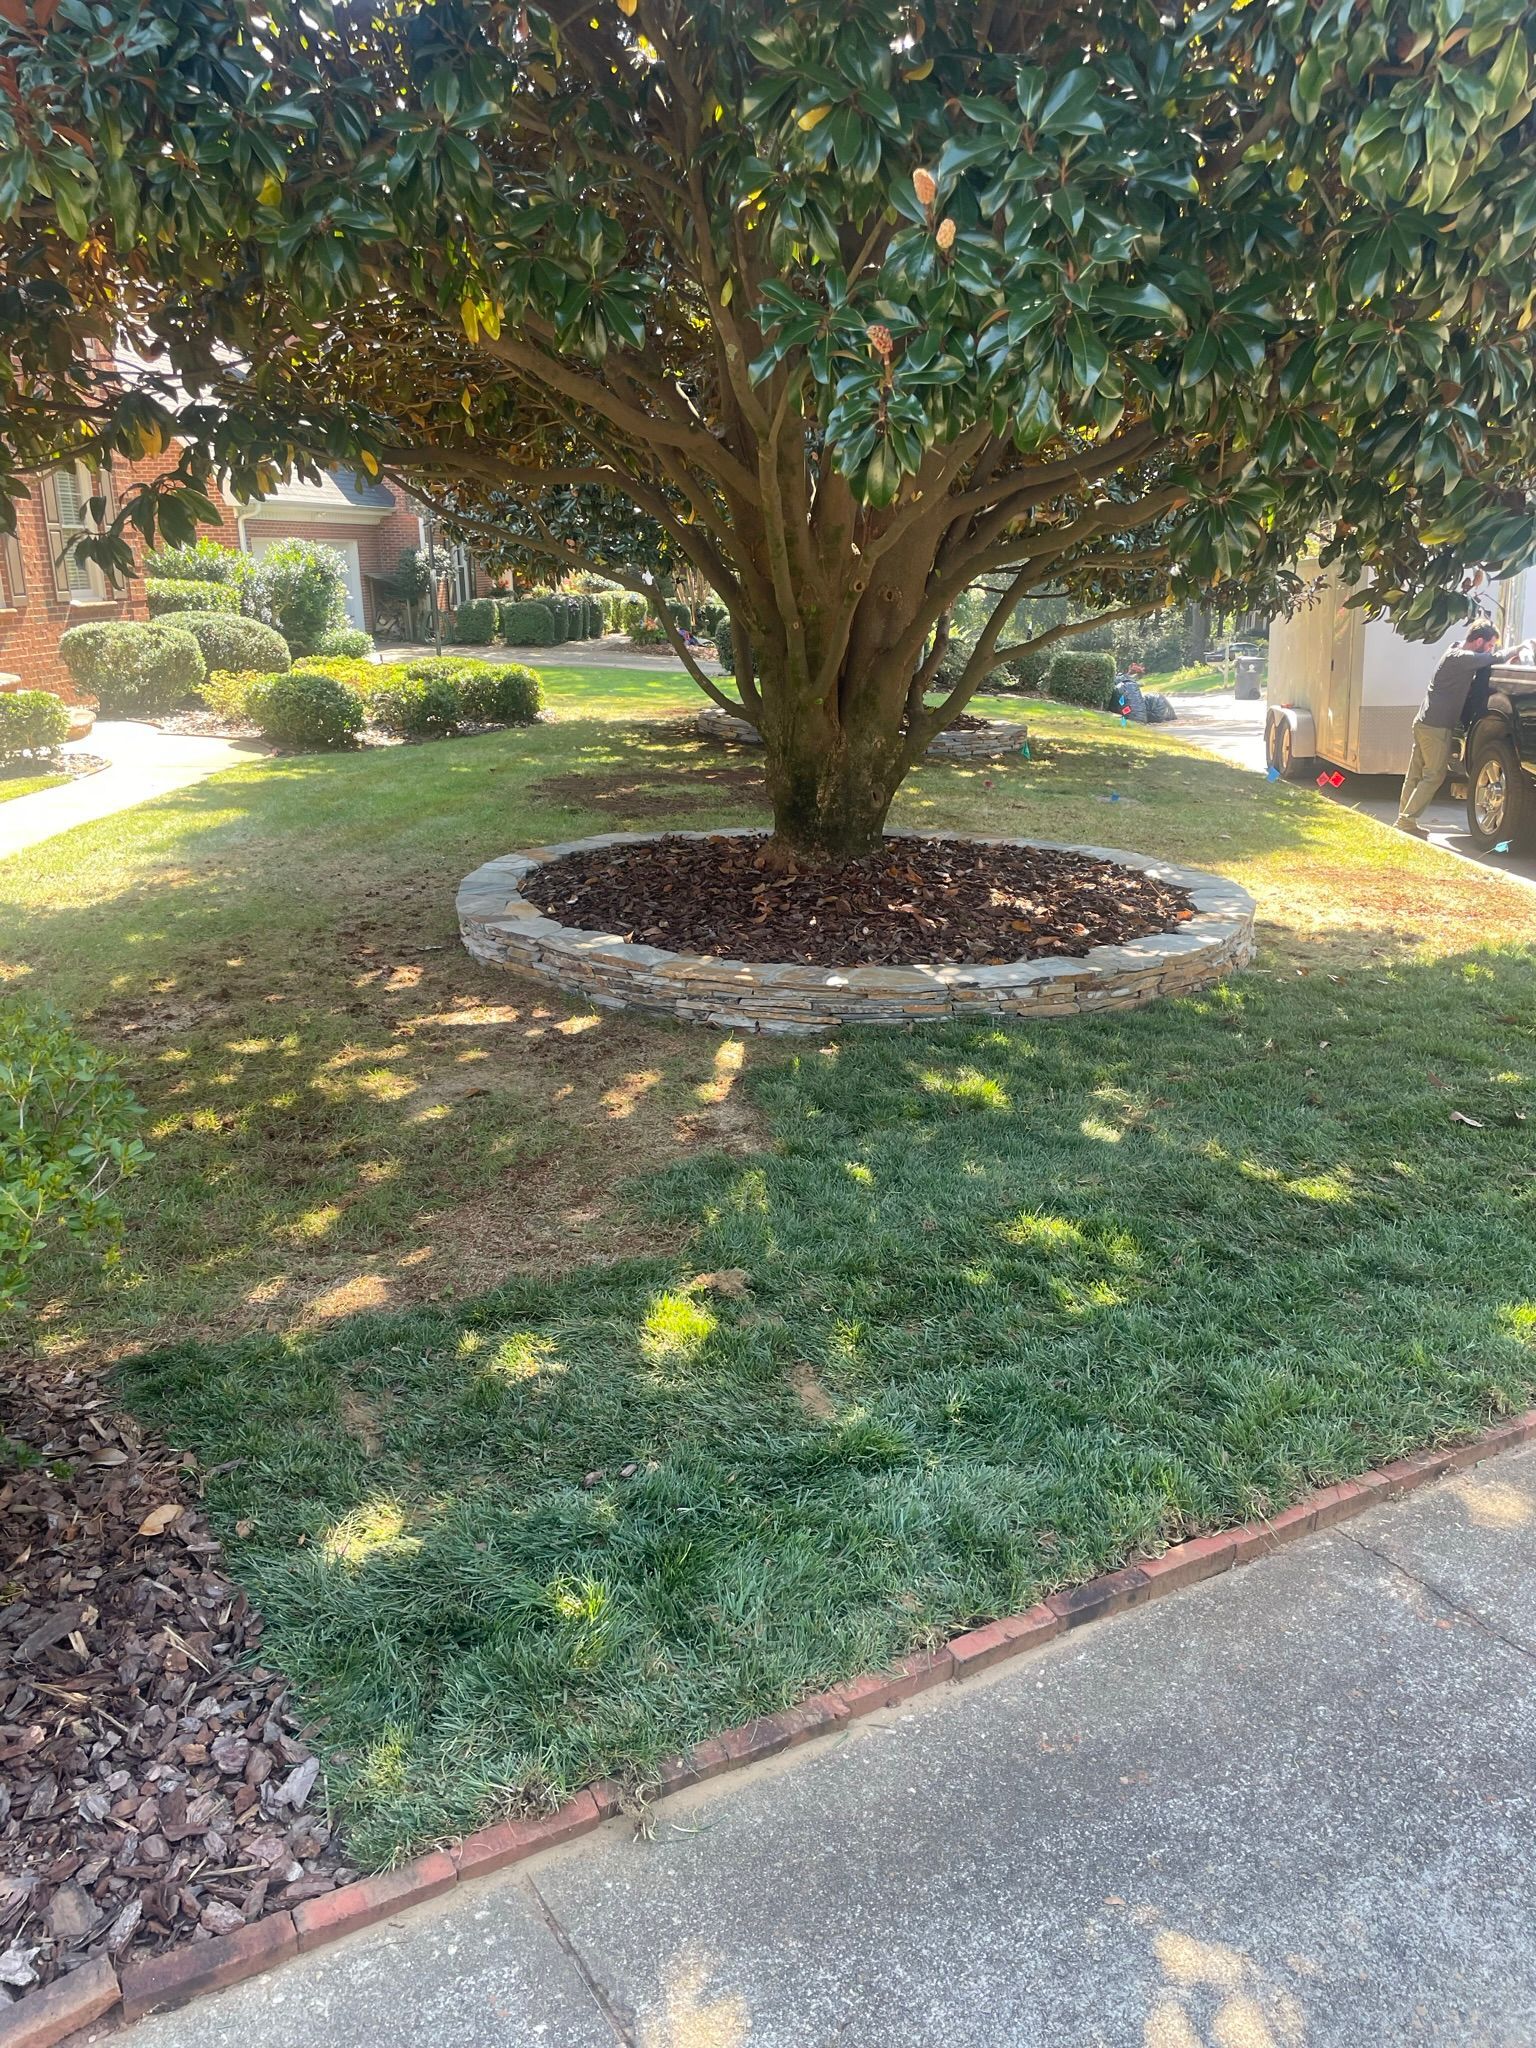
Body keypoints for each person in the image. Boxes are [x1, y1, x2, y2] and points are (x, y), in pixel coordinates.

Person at [1395, 621, 1500, 835]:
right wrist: (1518, 649)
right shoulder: (1461, 658)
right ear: (1479, 641)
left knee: (1415, 774)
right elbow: (1491, 659)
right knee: (1434, 775)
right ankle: (1407, 821)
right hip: (1436, 727)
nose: (1491, 649)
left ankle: (1403, 820)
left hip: (1424, 722)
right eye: (1490, 644)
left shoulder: (1454, 649)